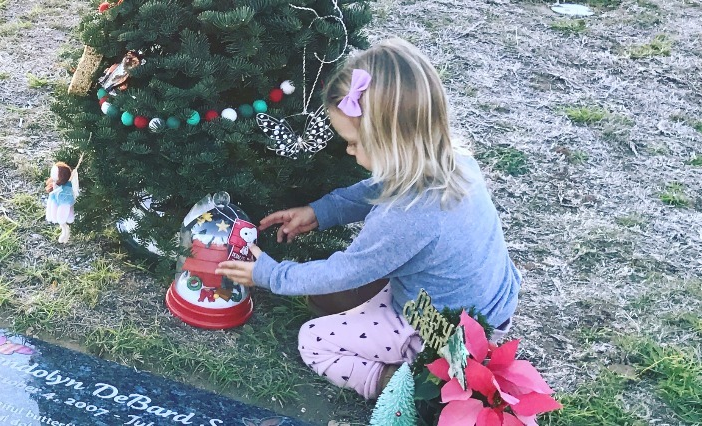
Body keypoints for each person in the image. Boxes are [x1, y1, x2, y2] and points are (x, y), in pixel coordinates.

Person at [213, 39, 521, 399]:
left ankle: (415, 385)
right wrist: (321, 211)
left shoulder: (406, 217)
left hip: (446, 332)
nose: (349, 150)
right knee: (332, 298)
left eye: (355, 142)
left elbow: (344, 271)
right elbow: (375, 189)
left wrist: (269, 274)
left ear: (391, 142)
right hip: (488, 307)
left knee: (314, 338)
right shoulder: (453, 159)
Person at [45, 161, 79, 243]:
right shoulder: (56, 184)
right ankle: (64, 229)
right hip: (57, 200)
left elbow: (66, 201)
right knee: (58, 216)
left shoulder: (66, 189)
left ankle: (65, 230)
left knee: (62, 217)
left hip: (64, 203)